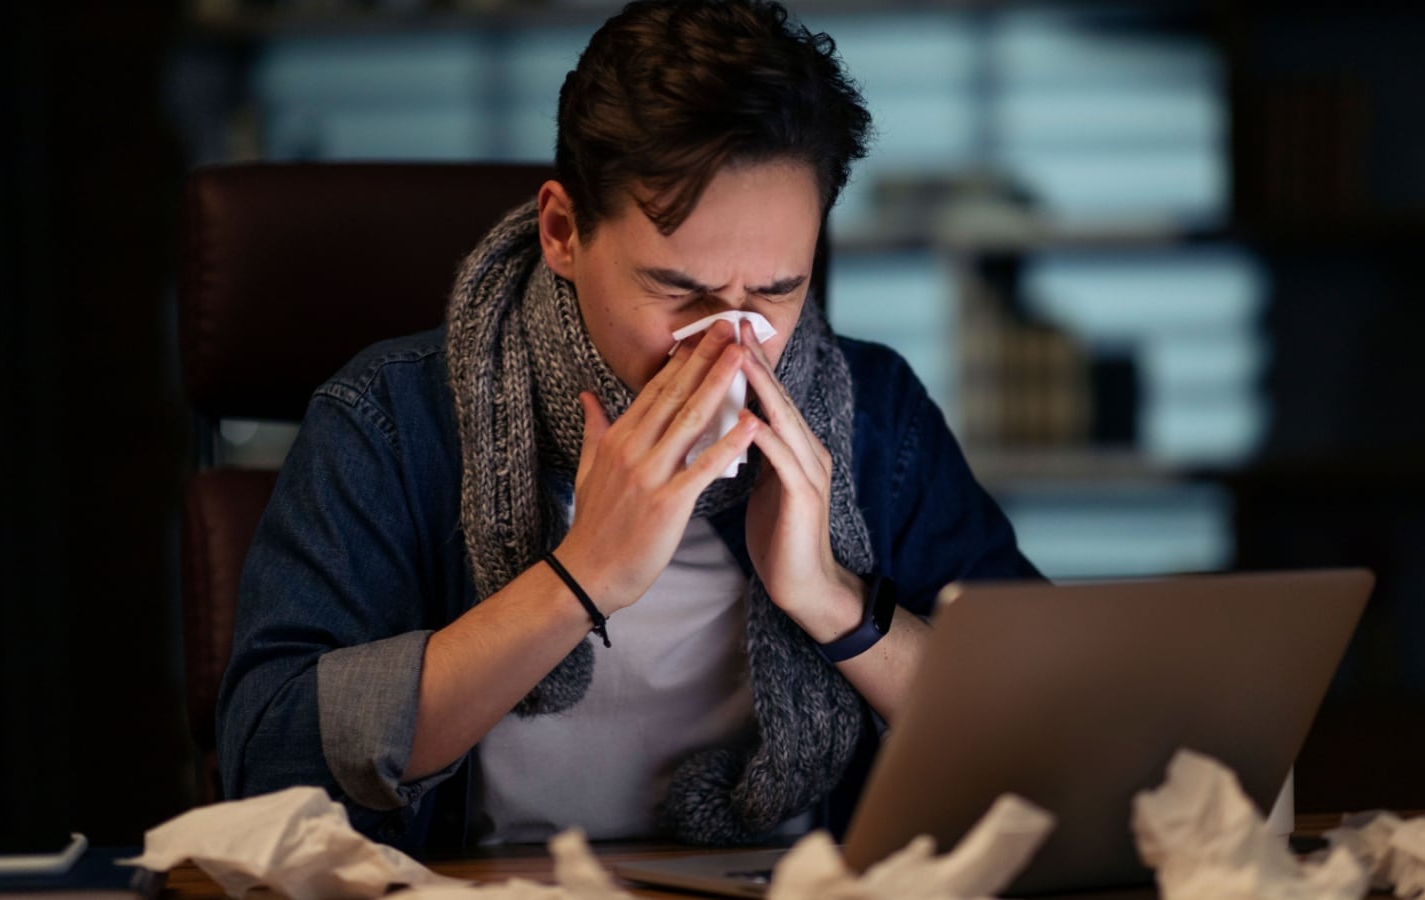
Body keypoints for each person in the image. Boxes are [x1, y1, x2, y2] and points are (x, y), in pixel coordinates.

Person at [217, 0, 1039, 852]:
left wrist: (836, 602)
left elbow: (1047, 738)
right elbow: (268, 773)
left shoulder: (879, 417)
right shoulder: (391, 419)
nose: (729, 339)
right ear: (563, 231)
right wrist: (580, 580)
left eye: (775, 292)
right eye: (680, 290)